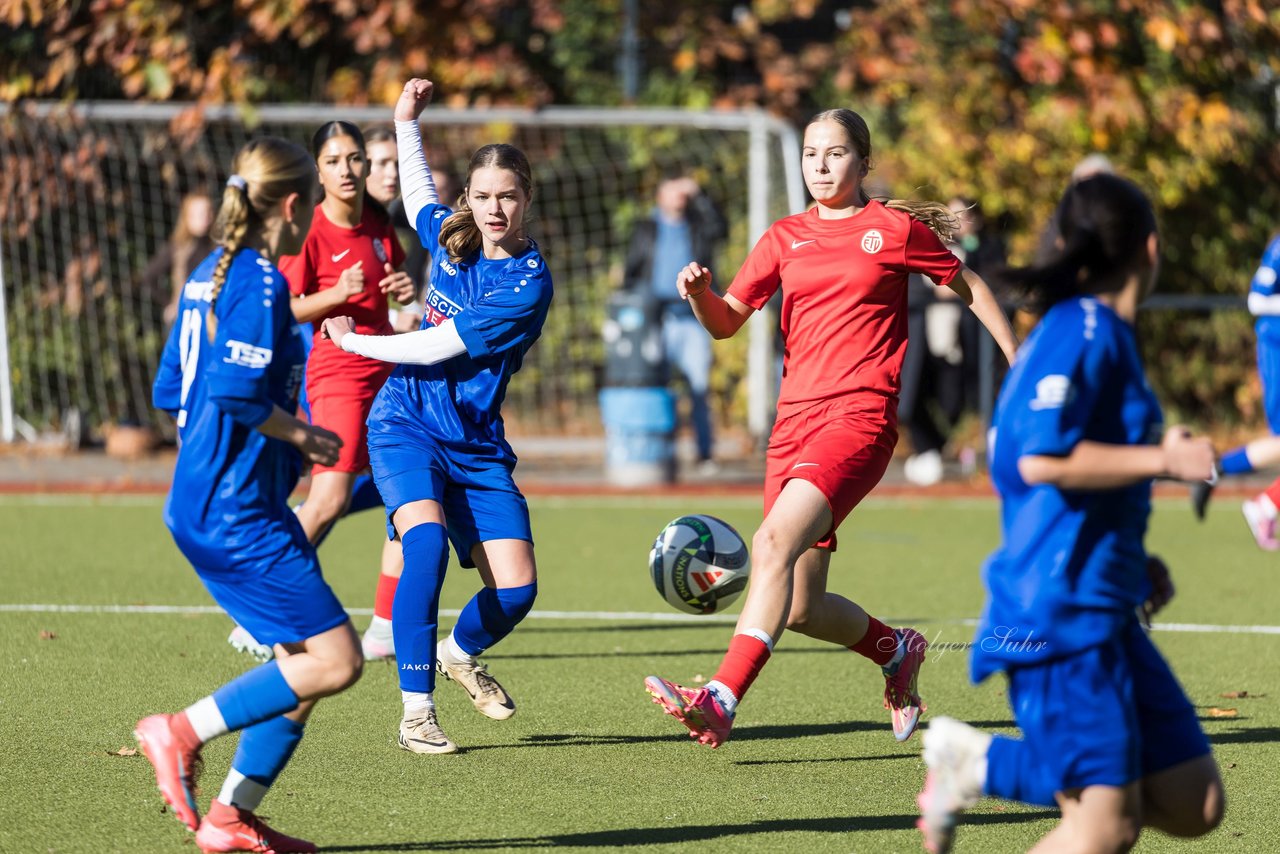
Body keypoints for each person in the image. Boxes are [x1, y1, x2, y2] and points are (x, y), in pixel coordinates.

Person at [643, 108, 1020, 749]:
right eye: (811, 154)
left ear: (862, 163)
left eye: (835, 153)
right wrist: (701, 295)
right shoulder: (784, 236)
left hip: (860, 418)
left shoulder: (893, 230)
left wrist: (1020, 364)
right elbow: (727, 321)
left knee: (769, 546)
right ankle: (896, 650)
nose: (820, 165)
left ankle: (721, 698)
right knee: (799, 606)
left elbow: (972, 286)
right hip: (793, 424)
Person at [917, 174, 1224, 854]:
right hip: (1056, 612)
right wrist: (1163, 461)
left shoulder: (1102, 333)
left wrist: (1128, 557)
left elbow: (1063, 468)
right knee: (1104, 826)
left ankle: (975, 762)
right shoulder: (1080, 332)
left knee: (1193, 799)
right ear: (1152, 247)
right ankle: (973, 762)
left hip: (1101, 600)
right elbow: (1037, 461)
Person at [138, 138, 363, 853]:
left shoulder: (209, 272)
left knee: (300, 667)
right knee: (337, 661)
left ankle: (231, 819)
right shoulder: (262, 279)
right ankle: (177, 732)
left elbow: (169, 391)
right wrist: (302, 437)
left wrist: (215, 460)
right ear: (293, 205)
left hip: (214, 501)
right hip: (239, 512)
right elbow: (236, 394)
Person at [322, 78, 553, 755]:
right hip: (406, 424)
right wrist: (404, 121)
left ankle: (459, 652)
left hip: (476, 445)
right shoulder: (455, 235)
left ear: (527, 198)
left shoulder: (526, 283)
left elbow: (440, 343)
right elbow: (419, 194)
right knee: (420, 545)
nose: (493, 209)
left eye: (507, 196)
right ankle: (416, 713)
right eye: (482, 197)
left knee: (516, 591)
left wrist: (356, 340)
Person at [221, 122, 420, 663]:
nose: (349, 170)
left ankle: (384, 627)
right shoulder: (308, 228)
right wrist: (335, 294)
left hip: (387, 368)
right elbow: (283, 308)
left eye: (355, 159)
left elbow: (392, 296)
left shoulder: (379, 221)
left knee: (413, 494)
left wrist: (403, 291)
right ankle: (258, 609)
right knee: (328, 497)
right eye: (334, 161)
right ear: (318, 171)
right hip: (337, 372)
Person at [621, 171, 728, 471]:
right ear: (660, 194)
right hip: (655, 320)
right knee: (654, 386)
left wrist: (700, 194)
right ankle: (660, 452)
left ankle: (705, 454)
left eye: (682, 193)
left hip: (693, 319)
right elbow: (632, 268)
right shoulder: (646, 227)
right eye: (673, 191)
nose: (678, 198)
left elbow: (720, 228)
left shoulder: (697, 224)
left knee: (699, 387)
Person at [1190, 232, 1280, 547]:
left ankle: (1264, 504)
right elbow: (1257, 299)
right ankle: (1258, 500)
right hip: (1276, 348)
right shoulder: (1279, 248)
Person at [140, 192, 216, 329]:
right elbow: (149, 276)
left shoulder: (218, 247)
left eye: (207, 212)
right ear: (187, 217)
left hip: (213, 319)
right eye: (198, 213)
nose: (204, 218)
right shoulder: (178, 248)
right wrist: (169, 304)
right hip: (185, 320)